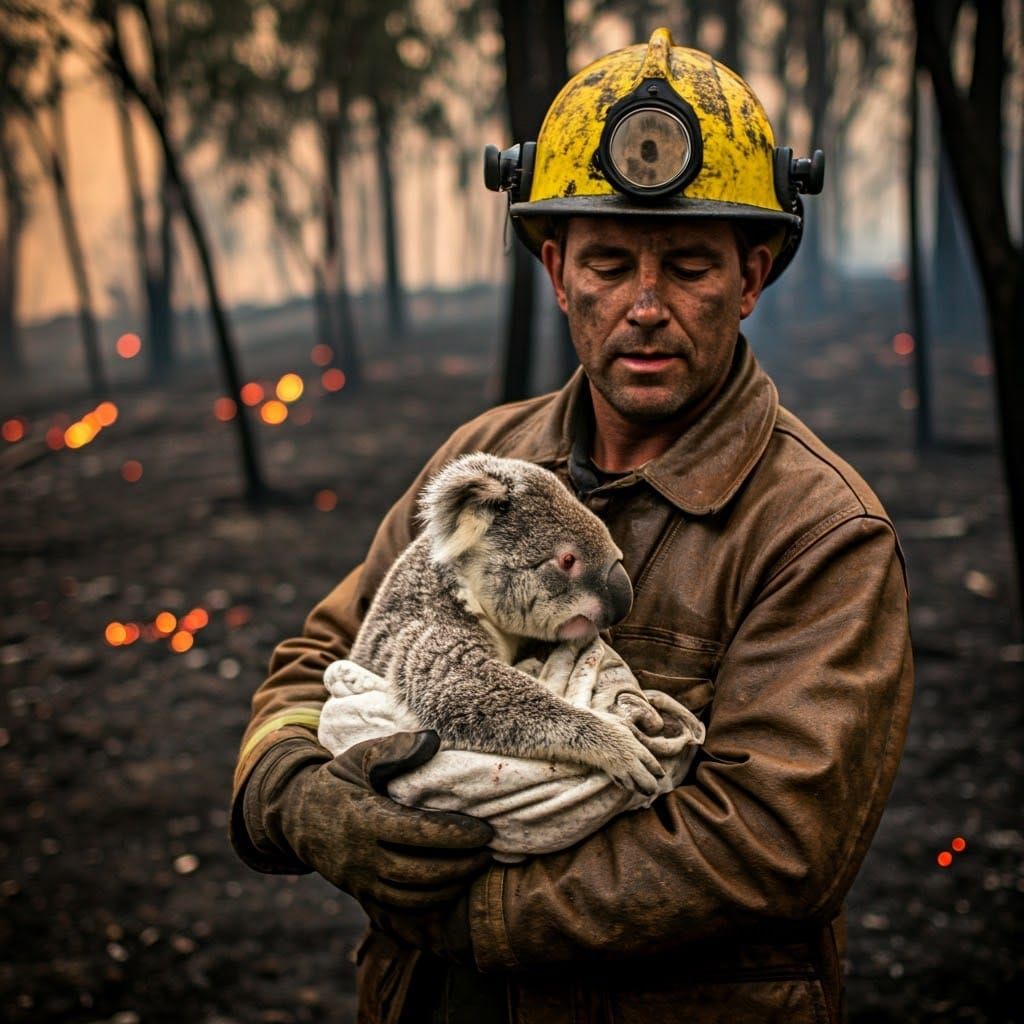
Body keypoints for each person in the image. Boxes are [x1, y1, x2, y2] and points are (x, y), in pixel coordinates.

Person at [230, 28, 913, 1024]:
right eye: (605, 264)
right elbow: (317, 662)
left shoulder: (816, 531)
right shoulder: (482, 467)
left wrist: (482, 911)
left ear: (750, 277)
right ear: (554, 270)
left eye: (686, 266)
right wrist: (301, 801)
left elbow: (770, 841)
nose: (642, 307)